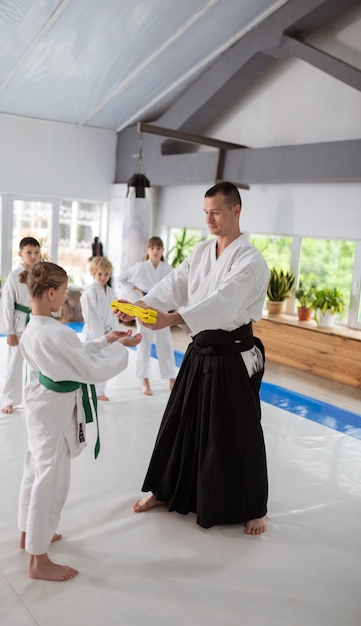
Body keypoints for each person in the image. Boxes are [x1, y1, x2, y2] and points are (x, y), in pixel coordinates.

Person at [113, 181, 270, 534]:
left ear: (236, 210)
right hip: (200, 350)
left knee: (238, 431)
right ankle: (165, 489)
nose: (209, 219)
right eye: (205, 213)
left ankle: (253, 506)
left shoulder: (250, 260)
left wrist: (175, 317)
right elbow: (174, 285)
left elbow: (224, 302)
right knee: (180, 420)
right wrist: (141, 306)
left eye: (215, 212)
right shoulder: (201, 251)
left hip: (232, 354)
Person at [17, 261, 141, 581]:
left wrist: (106, 340)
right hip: (54, 412)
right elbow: (89, 368)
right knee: (51, 478)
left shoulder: (35, 327)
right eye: (63, 292)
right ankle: (38, 559)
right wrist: (122, 348)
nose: (66, 299)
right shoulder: (56, 333)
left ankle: (28, 534)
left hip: (41, 406)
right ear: (51, 292)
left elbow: (76, 353)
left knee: (35, 469)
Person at [117, 236, 177, 395]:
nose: (155, 251)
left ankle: (172, 377)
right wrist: (136, 297)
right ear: (148, 250)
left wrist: (172, 306)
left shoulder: (167, 268)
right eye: (152, 248)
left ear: (162, 250)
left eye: (158, 248)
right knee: (143, 344)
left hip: (161, 309)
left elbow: (175, 287)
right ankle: (144, 379)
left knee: (166, 344)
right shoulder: (141, 267)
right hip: (144, 309)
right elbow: (121, 279)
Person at [0, 236, 41, 414]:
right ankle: (9, 400)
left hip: (36, 322)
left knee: (37, 362)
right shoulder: (15, 276)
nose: (33, 256)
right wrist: (9, 331)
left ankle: (35, 397)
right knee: (14, 363)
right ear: (20, 253)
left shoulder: (40, 273)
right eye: (29, 252)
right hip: (19, 322)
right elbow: (7, 303)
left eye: (36, 252)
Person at [80, 256, 120, 401]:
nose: (103, 277)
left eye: (106, 274)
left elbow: (115, 314)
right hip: (93, 334)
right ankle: (87, 391)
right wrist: (100, 337)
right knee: (90, 362)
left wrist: (113, 333)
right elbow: (91, 315)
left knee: (103, 362)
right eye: (100, 274)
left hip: (107, 333)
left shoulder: (111, 292)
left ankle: (100, 392)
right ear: (93, 273)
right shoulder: (90, 291)